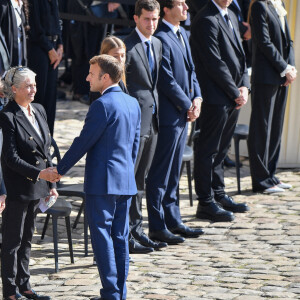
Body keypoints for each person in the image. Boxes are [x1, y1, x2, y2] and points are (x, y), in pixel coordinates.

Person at [55, 55, 141, 300]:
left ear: (105, 77)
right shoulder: (132, 103)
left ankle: (111, 294)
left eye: (91, 74)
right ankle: (119, 293)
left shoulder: (101, 105)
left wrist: (60, 169)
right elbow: (134, 147)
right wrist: (125, 172)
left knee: (102, 238)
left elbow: (83, 142)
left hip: (102, 183)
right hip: (125, 181)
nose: (86, 78)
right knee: (120, 237)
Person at [145, 0, 203, 243]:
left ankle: (174, 219)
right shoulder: (161, 38)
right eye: (181, 3)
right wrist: (186, 103)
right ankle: (158, 225)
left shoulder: (182, 34)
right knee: (161, 172)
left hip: (184, 113)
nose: (187, 7)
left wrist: (197, 97)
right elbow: (166, 79)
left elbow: (191, 71)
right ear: (166, 9)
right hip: (170, 115)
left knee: (174, 171)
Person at [0, 66, 60, 300]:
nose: (34, 89)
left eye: (35, 84)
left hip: (39, 187)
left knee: (27, 239)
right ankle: (10, 291)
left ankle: (24, 285)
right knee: (12, 241)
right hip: (18, 188)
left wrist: (52, 182)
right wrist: (40, 174)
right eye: (28, 86)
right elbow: (10, 158)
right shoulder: (7, 116)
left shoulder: (39, 110)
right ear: (14, 89)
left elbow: (47, 149)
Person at [190, 0, 250, 222]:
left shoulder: (231, 15)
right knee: (208, 150)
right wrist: (236, 91)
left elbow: (241, 57)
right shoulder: (206, 19)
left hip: (233, 96)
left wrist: (244, 86)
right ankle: (206, 202)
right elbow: (213, 62)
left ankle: (219, 194)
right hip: (216, 97)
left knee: (222, 149)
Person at [124, 0, 168, 253]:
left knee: (141, 178)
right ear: (136, 18)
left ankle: (138, 229)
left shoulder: (158, 44)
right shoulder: (127, 47)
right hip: (134, 123)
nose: (151, 24)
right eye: (146, 19)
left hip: (153, 121)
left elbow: (154, 84)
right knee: (129, 179)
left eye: (155, 19)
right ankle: (126, 234)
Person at [247, 0, 297, 193]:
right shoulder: (259, 5)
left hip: (282, 76)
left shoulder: (278, 3)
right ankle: (260, 180)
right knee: (262, 128)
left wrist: (289, 68)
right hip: (266, 77)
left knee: (275, 126)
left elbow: (288, 40)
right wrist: (283, 68)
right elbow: (263, 41)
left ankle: (270, 175)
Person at [27, 0, 63, 136]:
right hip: (39, 50)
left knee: (50, 99)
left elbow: (58, 20)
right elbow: (34, 27)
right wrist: (49, 49)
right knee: (38, 97)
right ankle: (36, 140)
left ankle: (48, 140)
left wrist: (60, 45)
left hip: (54, 48)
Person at [90, 36, 128, 104]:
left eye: (123, 55)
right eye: (115, 56)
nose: (120, 60)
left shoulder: (119, 79)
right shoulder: (100, 81)